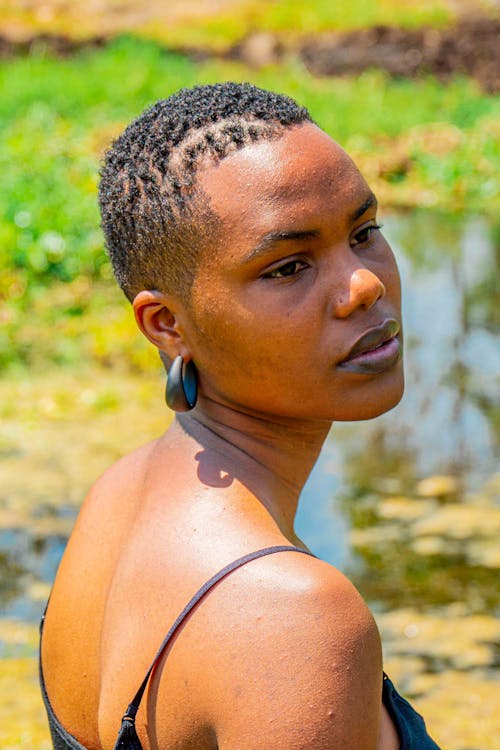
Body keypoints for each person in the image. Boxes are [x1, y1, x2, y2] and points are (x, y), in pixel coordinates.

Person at [40, 83, 440, 750]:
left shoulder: (116, 496)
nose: (366, 284)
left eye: (364, 232)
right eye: (288, 267)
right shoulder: (293, 621)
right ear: (167, 324)